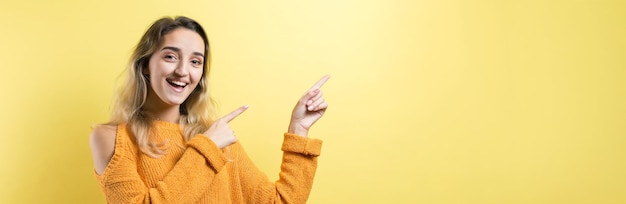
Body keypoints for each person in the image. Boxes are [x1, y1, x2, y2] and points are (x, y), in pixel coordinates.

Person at [89, 16, 329, 203]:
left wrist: (299, 129)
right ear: (145, 65)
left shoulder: (216, 137)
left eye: (195, 61)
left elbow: (278, 202)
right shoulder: (112, 138)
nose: (183, 71)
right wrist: (207, 149)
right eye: (171, 57)